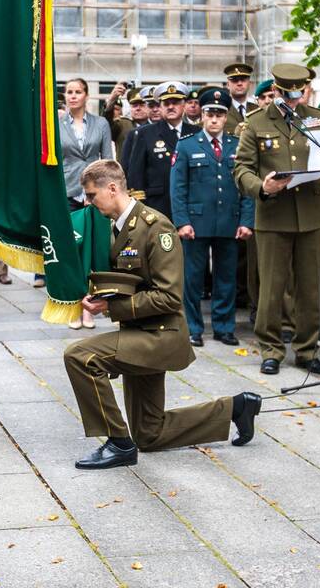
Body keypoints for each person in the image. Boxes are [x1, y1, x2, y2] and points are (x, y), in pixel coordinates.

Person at [62, 159, 262, 470]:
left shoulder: (157, 228)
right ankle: (236, 408)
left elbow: (169, 296)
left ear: (112, 188)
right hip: (138, 332)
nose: (88, 201)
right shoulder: (113, 227)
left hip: (160, 335)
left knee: (80, 356)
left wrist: (109, 307)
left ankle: (117, 442)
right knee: (150, 434)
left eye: (91, 195)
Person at [234, 64, 320, 375]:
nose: (292, 101)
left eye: (298, 94)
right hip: (274, 215)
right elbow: (242, 170)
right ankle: (271, 349)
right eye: (286, 95)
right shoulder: (256, 123)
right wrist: (262, 186)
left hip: (312, 215)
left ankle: (307, 349)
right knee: (272, 289)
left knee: (309, 288)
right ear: (274, 91)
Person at [171, 87, 253, 347]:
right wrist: (182, 221)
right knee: (193, 279)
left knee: (226, 278)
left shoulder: (237, 146)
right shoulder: (186, 145)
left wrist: (246, 221)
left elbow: (247, 188)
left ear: (226, 116)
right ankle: (193, 327)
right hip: (196, 223)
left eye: (219, 114)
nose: (214, 119)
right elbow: (178, 188)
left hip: (229, 221)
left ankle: (224, 327)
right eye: (210, 114)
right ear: (202, 116)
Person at [60, 77, 113, 329]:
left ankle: (91, 308)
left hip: (95, 195)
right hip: (69, 192)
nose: (73, 96)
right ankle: (74, 306)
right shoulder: (57, 125)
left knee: (95, 250)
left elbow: (108, 160)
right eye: (69, 92)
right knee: (74, 251)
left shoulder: (101, 123)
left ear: (86, 95)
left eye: (78, 91)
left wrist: (107, 192)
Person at [125, 81, 199, 218]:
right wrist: (141, 209)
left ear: (184, 105)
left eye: (175, 102)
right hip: (157, 206)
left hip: (192, 206)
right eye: (166, 103)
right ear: (161, 106)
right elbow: (136, 175)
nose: (171, 107)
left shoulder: (197, 133)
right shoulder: (145, 134)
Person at [222, 62, 253, 135]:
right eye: (234, 80)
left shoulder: (257, 110)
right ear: (228, 85)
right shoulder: (221, 110)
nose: (239, 83)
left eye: (243, 79)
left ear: (250, 84)